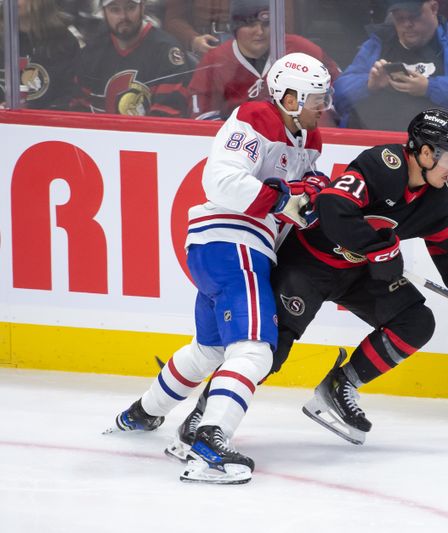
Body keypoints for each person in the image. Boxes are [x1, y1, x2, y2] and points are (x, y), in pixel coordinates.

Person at [171, 108, 448, 447]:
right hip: (308, 264)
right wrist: (376, 248)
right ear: (426, 153)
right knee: (268, 352)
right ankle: (204, 417)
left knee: (416, 321)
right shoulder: (382, 165)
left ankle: (341, 386)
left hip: (360, 274)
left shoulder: (439, 201)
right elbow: (332, 208)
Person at [105, 52, 333, 485]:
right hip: (233, 241)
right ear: (287, 97)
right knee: (254, 350)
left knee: (208, 350)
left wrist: (311, 196)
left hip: (232, 247)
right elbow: (222, 181)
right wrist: (287, 198)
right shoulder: (255, 117)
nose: (324, 104)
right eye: (316, 97)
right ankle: (210, 443)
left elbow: (298, 201)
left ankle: (140, 414)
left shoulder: (311, 139)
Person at [334, 0, 448, 136]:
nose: (407, 24)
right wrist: (369, 84)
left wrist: (429, 88)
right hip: (374, 141)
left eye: (414, 16)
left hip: (440, 146)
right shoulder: (375, 45)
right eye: (399, 18)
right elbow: (338, 96)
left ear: (433, 8)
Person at [187, 0, 340, 120]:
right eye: (250, 24)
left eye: (266, 24)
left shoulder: (302, 50)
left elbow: (338, 86)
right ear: (236, 28)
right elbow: (203, 117)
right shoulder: (215, 60)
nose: (259, 32)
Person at [72, 0, 191, 116]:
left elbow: (167, 118)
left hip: (148, 134)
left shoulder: (166, 52)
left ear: (142, 7)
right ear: (104, 12)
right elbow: (78, 112)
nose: (123, 16)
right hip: (99, 134)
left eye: (130, 7)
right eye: (114, 9)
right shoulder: (91, 53)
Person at [0, 0, 82, 110]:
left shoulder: (64, 41)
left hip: (47, 123)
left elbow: (69, 94)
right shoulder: (3, 38)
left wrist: (35, 114)